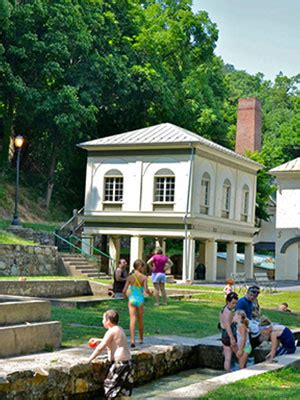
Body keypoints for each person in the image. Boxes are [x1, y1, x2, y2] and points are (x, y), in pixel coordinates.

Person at [88, 310, 133, 399]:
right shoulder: (118, 328)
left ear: (108, 320)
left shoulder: (111, 331)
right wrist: (98, 340)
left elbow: (100, 348)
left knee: (110, 388)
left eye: (103, 319)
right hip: (127, 363)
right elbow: (113, 340)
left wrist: (89, 359)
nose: (102, 321)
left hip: (120, 364)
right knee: (123, 391)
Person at [123, 259, 151, 348]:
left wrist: (126, 297)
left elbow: (124, 290)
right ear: (139, 267)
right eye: (143, 267)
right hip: (140, 299)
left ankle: (132, 340)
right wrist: (151, 293)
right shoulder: (144, 277)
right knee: (140, 319)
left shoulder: (130, 277)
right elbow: (146, 290)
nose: (143, 269)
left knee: (132, 319)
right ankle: (141, 339)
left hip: (132, 299)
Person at [219, 292, 239, 371]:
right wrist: (232, 338)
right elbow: (227, 326)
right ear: (228, 302)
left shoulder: (223, 309)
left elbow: (222, 323)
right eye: (233, 303)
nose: (234, 305)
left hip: (224, 335)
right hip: (229, 335)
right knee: (239, 355)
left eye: (236, 303)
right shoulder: (228, 312)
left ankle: (226, 373)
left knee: (227, 358)